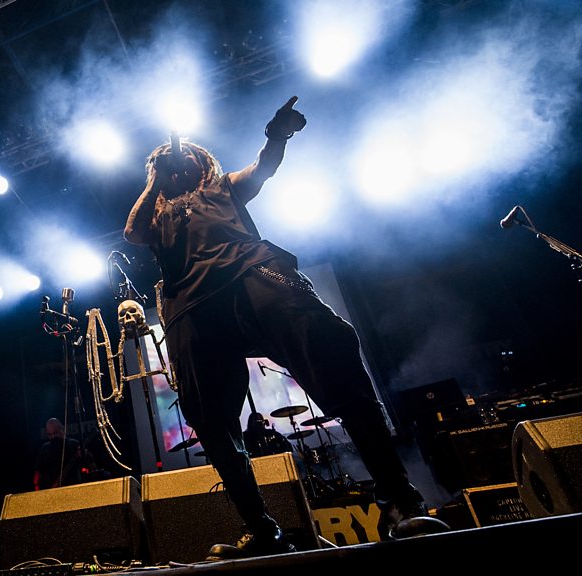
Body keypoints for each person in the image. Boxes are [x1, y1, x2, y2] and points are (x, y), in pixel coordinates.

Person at [124, 97, 430, 560]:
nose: (178, 163)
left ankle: (399, 500)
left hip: (252, 275)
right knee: (209, 421)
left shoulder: (222, 187)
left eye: (184, 158)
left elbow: (263, 168)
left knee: (329, 350)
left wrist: (277, 135)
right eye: (168, 163)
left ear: (200, 164)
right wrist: (154, 178)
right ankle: (263, 530)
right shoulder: (157, 216)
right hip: (191, 306)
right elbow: (132, 232)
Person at [33, 418, 83, 490]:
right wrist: (37, 487)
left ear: (62, 430)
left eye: (55, 433)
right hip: (52, 489)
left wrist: (83, 455)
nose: (53, 437)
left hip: (73, 487)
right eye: (50, 434)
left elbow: (87, 465)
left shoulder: (73, 444)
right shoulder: (45, 449)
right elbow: (38, 471)